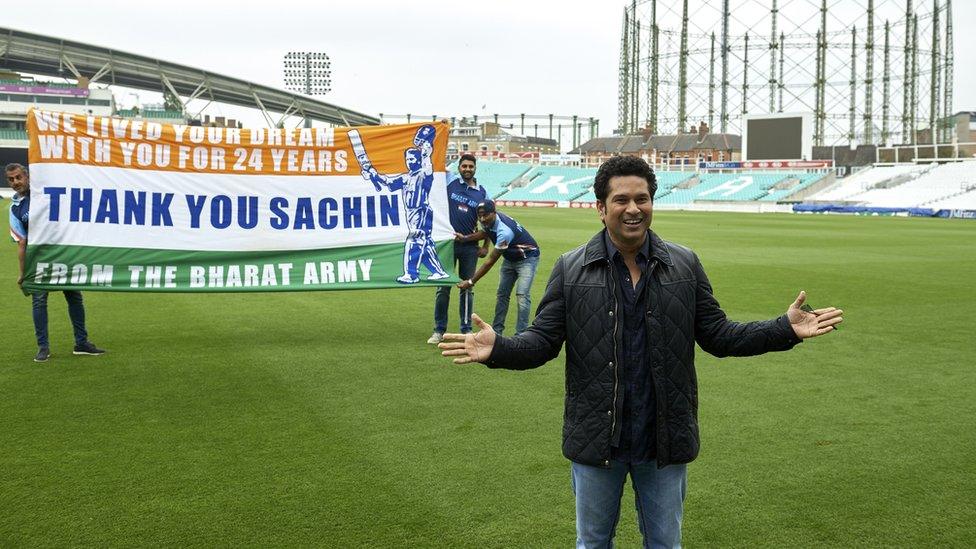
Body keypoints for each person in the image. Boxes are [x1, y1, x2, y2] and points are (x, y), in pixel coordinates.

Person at [439, 156, 843, 548]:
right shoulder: (570, 269)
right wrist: (499, 349)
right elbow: (542, 342)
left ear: (652, 202)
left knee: (665, 542)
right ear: (601, 208)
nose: (633, 209)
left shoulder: (684, 265)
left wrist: (782, 329)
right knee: (594, 542)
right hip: (597, 440)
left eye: (642, 199)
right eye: (621, 200)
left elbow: (720, 336)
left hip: (662, 440)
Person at [7, 163, 106, 362]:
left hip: (63, 255)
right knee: (39, 301)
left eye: (18, 177)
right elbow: (22, 243)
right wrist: (23, 272)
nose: (16, 182)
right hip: (38, 262)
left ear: (27, 176)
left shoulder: (47, 193)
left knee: (74, 296)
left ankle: (81, 342)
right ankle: (43, 347)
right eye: (11, 179)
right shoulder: (15, 208)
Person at [359, 125, 449, 284]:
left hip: (421, 210)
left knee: (415, 239)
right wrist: (373, 173)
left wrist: (426, 149)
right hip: (411, 212)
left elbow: (428, 162)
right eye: (407, 159)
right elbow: (387, 182)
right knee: (425, 242)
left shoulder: (424, 173)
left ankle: (411, 274)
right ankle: (439, 271)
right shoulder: (406, 177)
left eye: (412, 159)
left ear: (419, 159)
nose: (409, 162)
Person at [427, 153, 489, 344]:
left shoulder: (482, 193)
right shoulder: (450, 181)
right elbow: (434, 165)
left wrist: (486, 246)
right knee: (442, 288)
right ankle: (439, 330)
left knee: (467, 288)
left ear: (475, 168)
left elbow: (488, 221)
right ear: (459, 167)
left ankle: (466, 330)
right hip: (447, 244)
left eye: (471, 166)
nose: (467, 169)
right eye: (464, 166)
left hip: (470, 247)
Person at [457, 200, 540, 336]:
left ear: (494, 213)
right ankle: (496, 332)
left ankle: (522, 335)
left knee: (522, 295)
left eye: (486, 215)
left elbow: (489, 261)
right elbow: (485, 233)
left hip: (527, 258)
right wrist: (465, 238)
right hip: (510, 257)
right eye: (480, 216)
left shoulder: (504, 231)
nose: (482, 219)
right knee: (502, 295)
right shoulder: (490, 221)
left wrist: (471, 282)